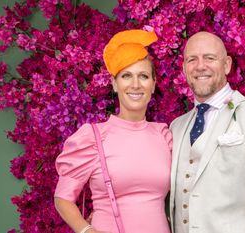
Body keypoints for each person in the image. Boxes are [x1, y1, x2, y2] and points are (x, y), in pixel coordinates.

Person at [169, 31, 245, 233]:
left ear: (227, 65)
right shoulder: (176, 127)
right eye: (192, 59)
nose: (200, 66)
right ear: (184, 68)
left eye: (209, 58)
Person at [54, 29, 172, 233]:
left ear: (153, 85)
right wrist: (87, 231)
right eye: (126, 76)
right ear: (114, 84)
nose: (135, 84)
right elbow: (63, 198)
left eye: (143, 76)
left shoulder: (164, 135)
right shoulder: (92, 137)